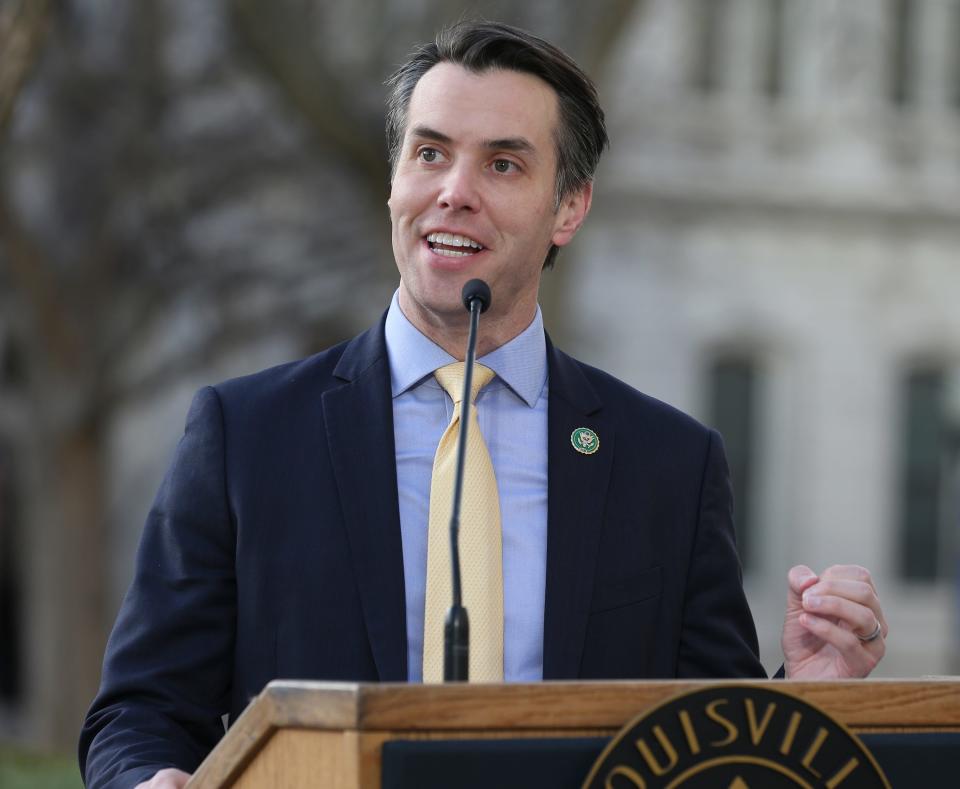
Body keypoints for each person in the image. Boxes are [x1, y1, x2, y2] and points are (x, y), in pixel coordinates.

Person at [79, 21, 888, 789]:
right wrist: (149, 776)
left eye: (503, 164)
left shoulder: (668, 464)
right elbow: (142, 709)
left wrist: (812, 695)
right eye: (430, 153)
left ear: (568, 208)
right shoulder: (245, 436)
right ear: (396, 178)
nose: (454, 192)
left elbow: (713, 746)